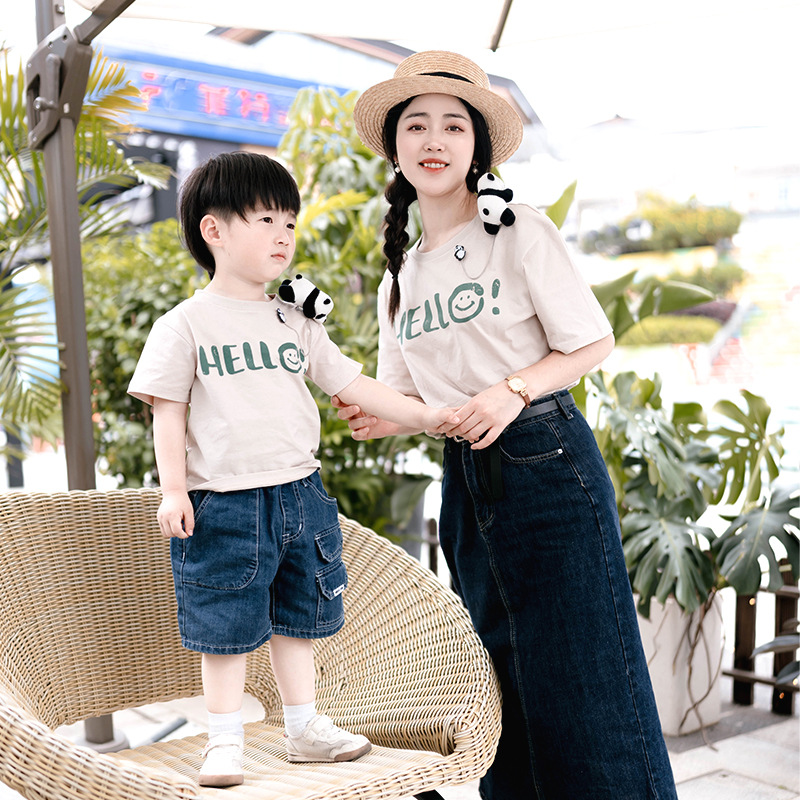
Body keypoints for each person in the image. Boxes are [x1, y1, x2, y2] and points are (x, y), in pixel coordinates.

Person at [333, 51, 679, 799]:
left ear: (477, 147)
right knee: (497, 676)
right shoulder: (402, 274)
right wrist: (369, 414)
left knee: (588, 676)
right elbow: (406, 398)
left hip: (545, 460)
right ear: (394, 147)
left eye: (453, 126)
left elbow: (590, 341)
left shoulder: (518, 229)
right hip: (465, 476)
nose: (434, 140)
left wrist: (510, 391)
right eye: (416, 125)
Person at [128, 151, 458, 788]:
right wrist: (173, 490)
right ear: (214, 230)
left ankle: (303, 727)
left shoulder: (294, 320)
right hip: (223, 502)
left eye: (289, 221)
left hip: (301, 494)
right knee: (223, 627)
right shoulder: (184, 325)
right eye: (265, 220)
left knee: (298, 617)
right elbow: (167, 412)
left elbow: (353, 383)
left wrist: (427, 415)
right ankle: (223, 740)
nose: (283, 234)